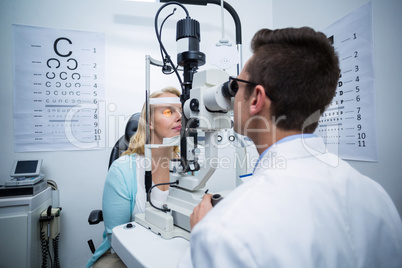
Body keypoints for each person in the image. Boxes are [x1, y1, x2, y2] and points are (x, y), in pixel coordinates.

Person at [184, 27, 402, 267]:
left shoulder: (224, 230)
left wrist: (201, 235)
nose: (232, 97)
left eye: (236, 86)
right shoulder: (377, 197)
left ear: (256, 99)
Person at [87, 87, 181, 268]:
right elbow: (117, 234)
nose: (179, 117)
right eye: (169, 111)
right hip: (127, 251)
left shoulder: (189, 167)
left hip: (176, 247)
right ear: (150, 123)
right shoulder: (123, 170)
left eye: (181, 111)